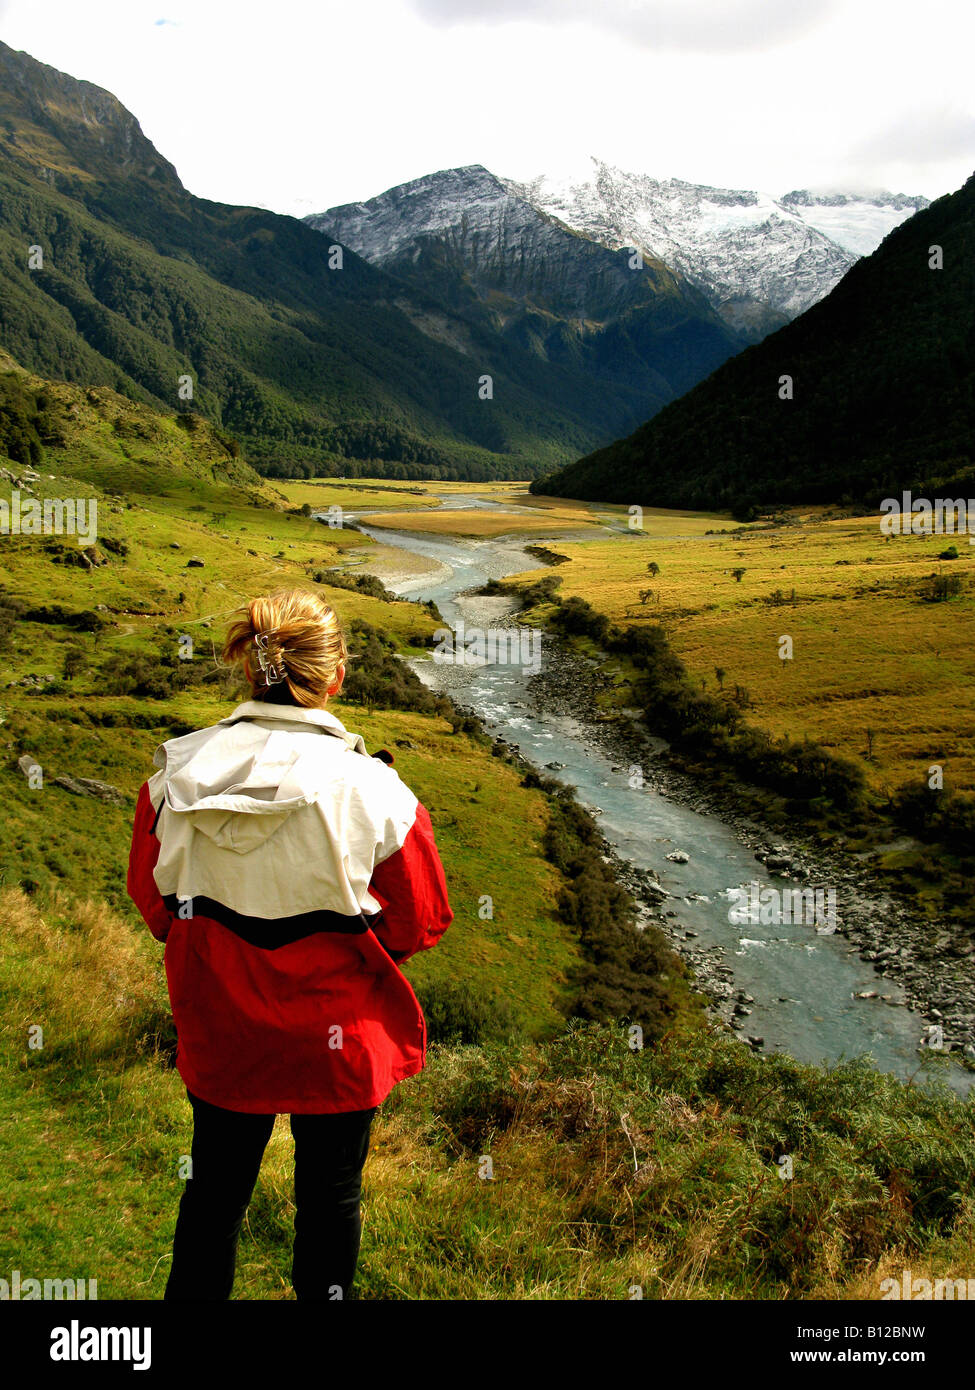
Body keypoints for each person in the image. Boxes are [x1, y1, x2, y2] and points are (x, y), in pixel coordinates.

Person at [126, 587, 453, 1300]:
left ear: (250, 667)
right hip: (339, 1037)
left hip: (223, 1025)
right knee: (331, 1199)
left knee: (213, 1195)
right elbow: (420, 922)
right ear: (336, 676)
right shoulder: (379, 793)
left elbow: (155, 906)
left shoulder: (171, 777)